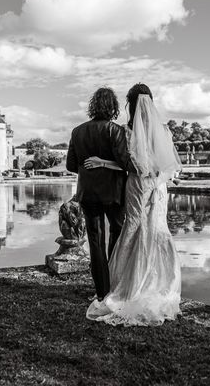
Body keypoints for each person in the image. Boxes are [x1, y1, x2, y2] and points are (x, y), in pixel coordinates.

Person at [84, 83, 183, 326]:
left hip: (138, 186)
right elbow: (167, 167)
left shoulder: (128, 132)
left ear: (130, 104)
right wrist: (157, 182)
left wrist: (102, 163)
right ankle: (161, 284)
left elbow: (132, 166)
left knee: (135, 228)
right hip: (158, 188)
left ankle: (126, 287)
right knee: (158, 230)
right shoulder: (164, 130)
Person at [66, 87, 130, 301]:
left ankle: (102, 291)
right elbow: (125, 163)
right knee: (116, 235)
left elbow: (71, 165)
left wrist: (90, 169)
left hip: (88, 193)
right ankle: (114, 285)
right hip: (113, 193)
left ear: (93, 106)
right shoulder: (115, 130)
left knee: (95, 241)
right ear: (113, 107)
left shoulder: (77, 131)